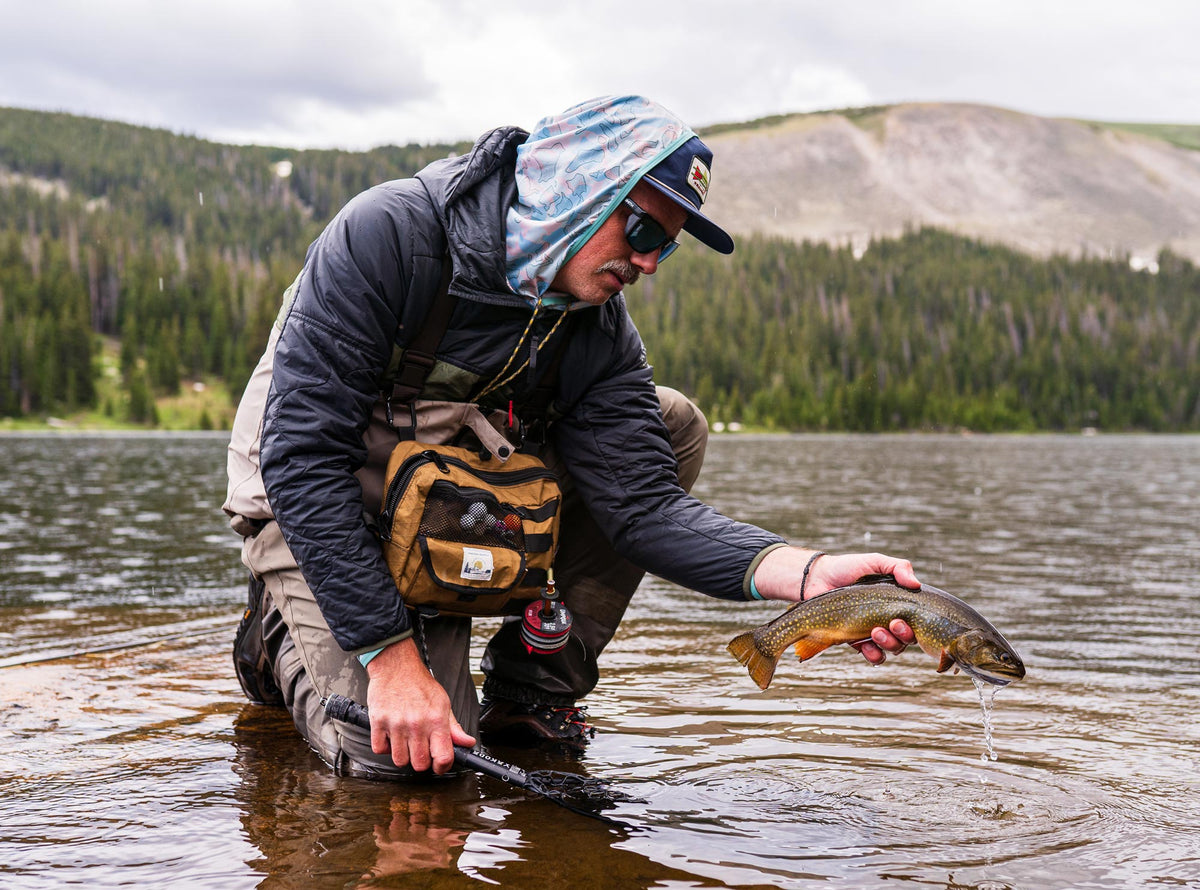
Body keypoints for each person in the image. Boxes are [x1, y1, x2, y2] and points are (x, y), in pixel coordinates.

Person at [224, 95, 919, 779]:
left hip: (447, 492)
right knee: (401, 759)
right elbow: (303, 458)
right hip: (309, 492)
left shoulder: (598, 327)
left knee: (669, 425)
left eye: (666, 250)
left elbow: (644, 508)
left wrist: (805, 574)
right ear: (580, 189)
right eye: (644, 233)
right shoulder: (392, 235)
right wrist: (392, 659)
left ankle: (532, 690)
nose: (647, 263)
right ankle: (281, 629)